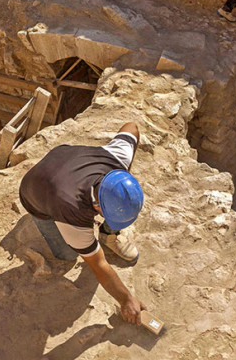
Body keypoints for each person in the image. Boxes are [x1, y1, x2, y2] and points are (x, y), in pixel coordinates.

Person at [18, 122, 148, 324]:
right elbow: (98, 264)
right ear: (97, 208)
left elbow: (132, 128)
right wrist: (126, 299)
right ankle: (42, 217)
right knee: (68, 255)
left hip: (63, 162)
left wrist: (123, 178)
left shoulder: (117, 159)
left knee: (111, 215)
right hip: (35, 193)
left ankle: (108, 234)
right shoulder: (71, 210)